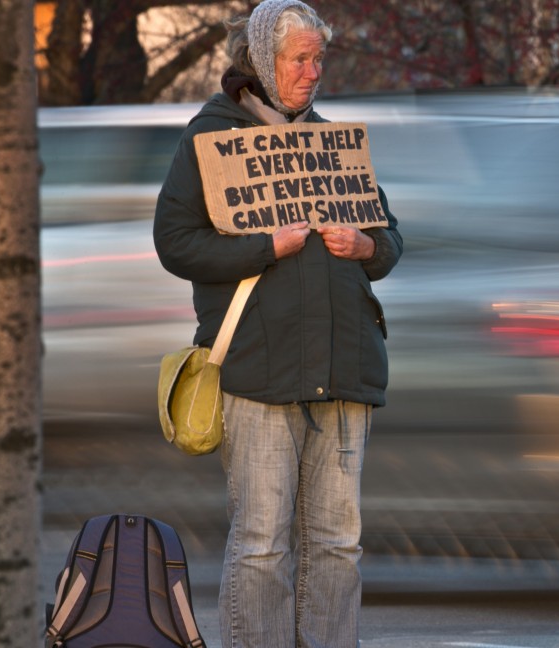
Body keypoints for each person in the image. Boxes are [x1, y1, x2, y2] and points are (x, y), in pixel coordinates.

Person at [153, 1, 402, 646]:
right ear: (265, 59)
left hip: (345, 369)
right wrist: (265, 246)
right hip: (259, 370)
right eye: (300, 58)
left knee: (338, 545)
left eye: (319, 58)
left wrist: (367, 247)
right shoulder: (212, 137)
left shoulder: (329, 142)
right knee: (263, 544)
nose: (313, 71)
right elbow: (175, 243)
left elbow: (392, 239)